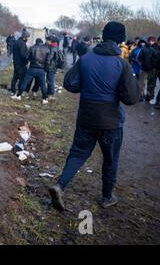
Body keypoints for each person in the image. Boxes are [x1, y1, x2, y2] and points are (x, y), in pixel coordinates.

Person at [49, 22, 139, 211]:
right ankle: (107, 197)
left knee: (78, 153)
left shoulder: (86, 58)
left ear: (103, 36)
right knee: (110, 159)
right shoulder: (122, 64)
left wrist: (89, 86)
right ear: (120, 39)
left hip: (86, 116)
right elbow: (131, 98)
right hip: (111, 120)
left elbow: (70, 84)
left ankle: (60, 185)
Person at [11, 38, 50, 104]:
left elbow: (27, 57)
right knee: (43, 85)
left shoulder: (32, 48)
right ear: (42, 42)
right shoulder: (47, 49)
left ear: (36, 42)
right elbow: (48, 61)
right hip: (41, 70)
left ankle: (18, 95)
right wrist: (46, 69)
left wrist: (29, 61)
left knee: (25, 82)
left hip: (32, 68)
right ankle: (45, 99)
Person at [10, 30, 30, 95]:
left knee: (15, 77)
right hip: (21, 63)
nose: (28, 39)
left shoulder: (17, 42)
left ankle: (13, 90)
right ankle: (19, 91)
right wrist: (27, 61)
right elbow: (23, 55)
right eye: (27, 37)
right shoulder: (22, 43)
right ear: (25, 37)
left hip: (16, 62)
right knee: (21, 78)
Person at [138, 36, 157, 102]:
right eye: (150, 40)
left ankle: (149, 96)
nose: (151, 42)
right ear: (148, 41)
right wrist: (141, 64)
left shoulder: (156, 48)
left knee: (151, 84)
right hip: (144, 69)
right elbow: (139, 58)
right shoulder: (144, 49)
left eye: (153, 41)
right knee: (141, 83)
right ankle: (140, 95)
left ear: (154, 41)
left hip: (152, 69)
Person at [46, 35, 61, 100]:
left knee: (50, 81)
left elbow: (49, 58)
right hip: (53, 66)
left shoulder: (52, 48)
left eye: (47, 40)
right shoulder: (55, 46)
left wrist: (46, 65)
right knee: (50, 80)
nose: (46, 41)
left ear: (50, 41)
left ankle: (50, 95)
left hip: (51, 67)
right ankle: (49, 94)